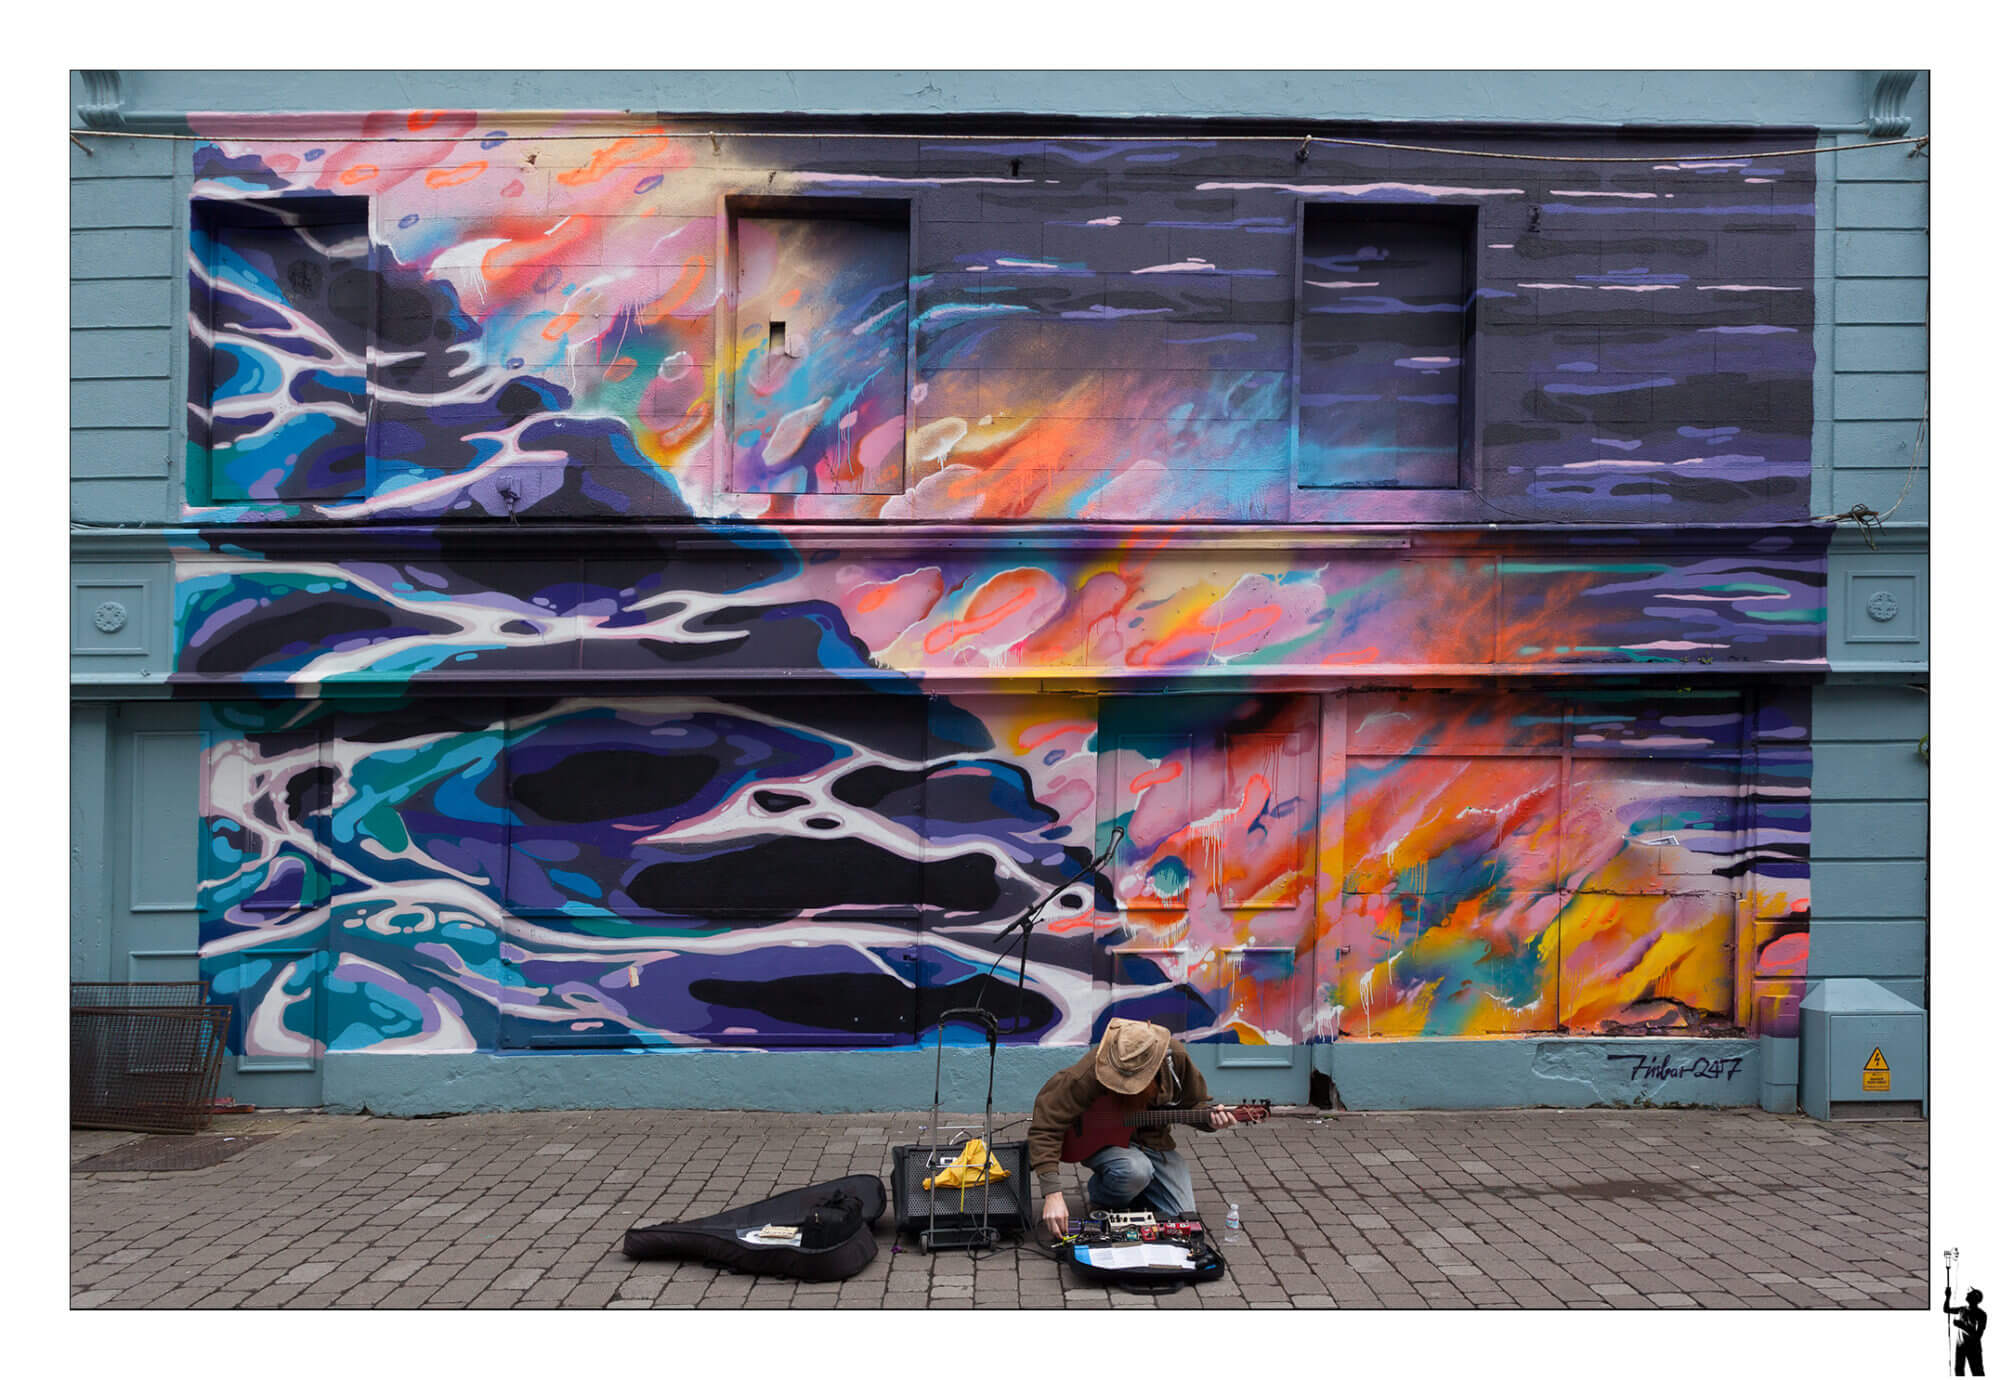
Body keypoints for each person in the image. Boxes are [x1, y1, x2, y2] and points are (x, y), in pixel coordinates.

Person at [1028, 1017, 1235, 1236]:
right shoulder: (1090, 1069)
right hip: (1099, 1142)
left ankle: (1134, 1189)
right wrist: (1052, 1194)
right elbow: (1046, 1127)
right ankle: (1102, 1195)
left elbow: (1194, 1104)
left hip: (1154, 1145)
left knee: (1180, 1216)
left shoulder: (1176, 1059)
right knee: (1135, 1170)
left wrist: (1211, 1120)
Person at [1947, 1285, 1987, 1375]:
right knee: (1959, 1371)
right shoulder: (1962, 1309)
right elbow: (1946, 1309)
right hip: (1960, 1347)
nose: (1967, 1293)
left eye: (1970, 1294)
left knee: (1977, 1372)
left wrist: (1962, 1326)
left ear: (1975, 1298)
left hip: (1973, 1348)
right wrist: (1948, 1296)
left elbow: (1978, 1336)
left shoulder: (1981, 1314)